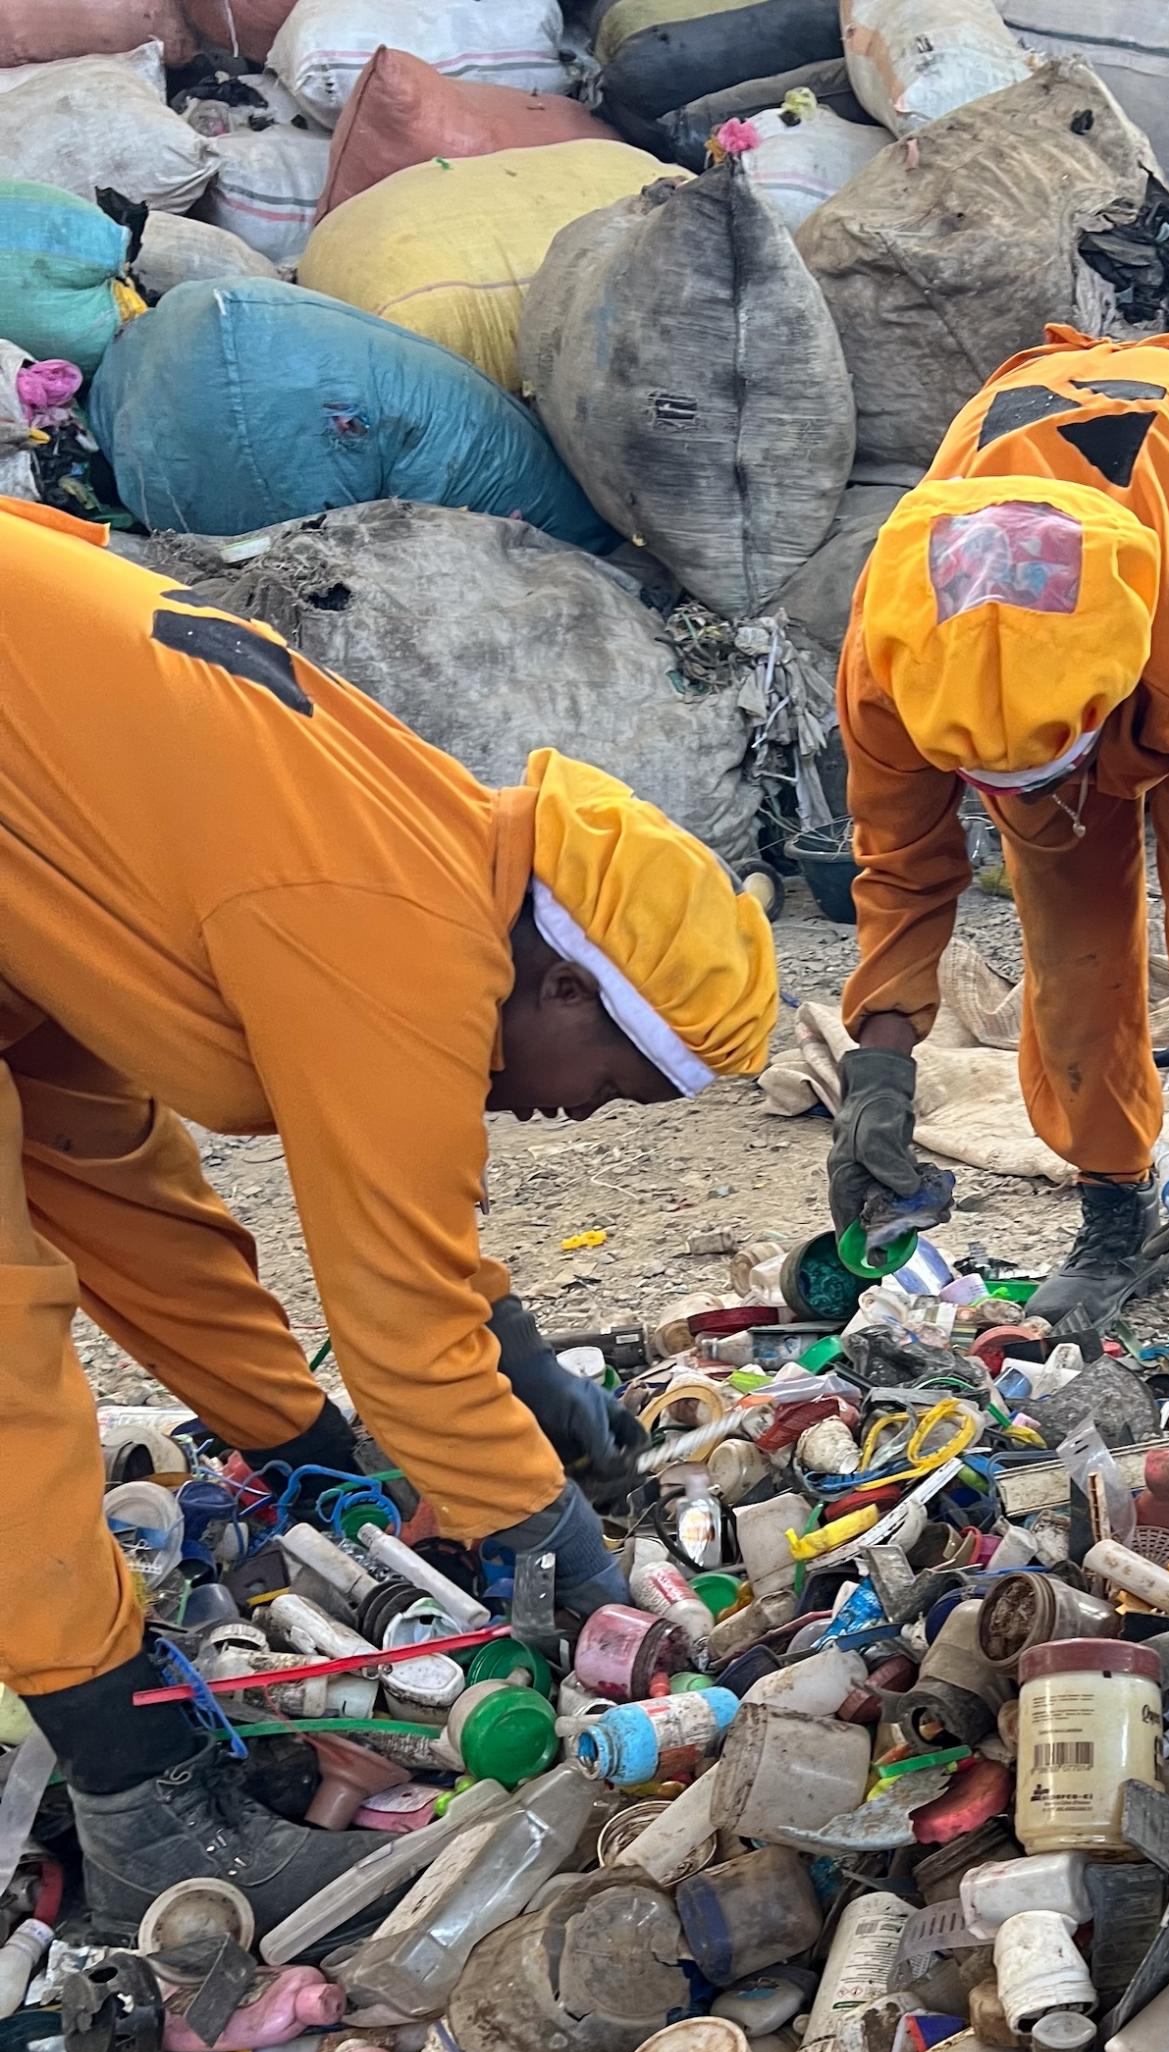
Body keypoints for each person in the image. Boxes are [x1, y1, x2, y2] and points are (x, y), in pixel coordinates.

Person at [0, 498, 778, 1935]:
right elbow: (402, 1324)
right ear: (561, 984)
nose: (580, 1117)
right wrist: (564, 1553)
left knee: (94, 1153)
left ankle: (239, 1553)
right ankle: (148, 1807)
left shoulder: (417, 846)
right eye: (609, 1080)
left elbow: (139, 1202)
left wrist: (317, 1453)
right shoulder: (399, 924)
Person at [831, 325, 1169, 1384]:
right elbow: (898, 861)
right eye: (1003, 782)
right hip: (1049, 445)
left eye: (1054, 766)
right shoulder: (892, 656)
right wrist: (874, 1071)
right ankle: (1113, 1206)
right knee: (1066, 930)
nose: (1052, 800)